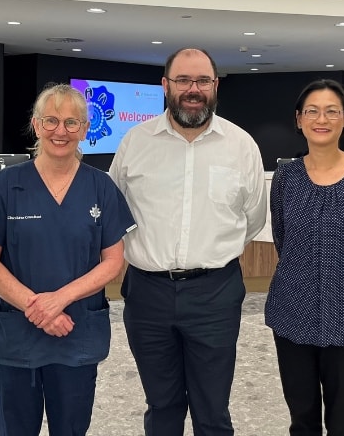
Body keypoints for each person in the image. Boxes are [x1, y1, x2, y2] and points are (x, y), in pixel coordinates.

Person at [109, 47, 267, 436]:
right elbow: (114, 210)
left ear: (215, 87)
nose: (192, 89)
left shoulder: (241, 146)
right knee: (162, 406)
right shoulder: (135, 142)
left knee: (212, 411)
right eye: (183, 80)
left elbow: (253, 220)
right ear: (165, 86)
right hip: (148, 295)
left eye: (202, 81)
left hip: (215, 294)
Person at [0, 83, 136, 436]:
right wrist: (37, 307)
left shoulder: (101, 188)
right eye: (50, 121)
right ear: (36, 125)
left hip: (75, 334)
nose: (60, 131)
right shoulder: (5, 185)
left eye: (71, 122)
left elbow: (113, 262)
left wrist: (59, 300)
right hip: (16, 340)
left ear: (85, 129)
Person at [264, 78, 344, 436]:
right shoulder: (286, 177)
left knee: (342, 420)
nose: (322, 119)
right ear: (299, 119)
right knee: (301, 418)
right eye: (313, 111)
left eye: (332, 111)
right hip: (293, 315)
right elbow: (283, 240)